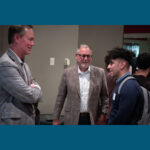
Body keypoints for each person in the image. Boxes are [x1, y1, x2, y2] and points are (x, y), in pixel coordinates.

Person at [53, 44, 109, 125]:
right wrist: (56, 117)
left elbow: (105, 96)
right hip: (72, 117)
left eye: (88, 56)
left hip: (92, 118)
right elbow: (60, 97)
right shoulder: (67, 73)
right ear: (77, 56)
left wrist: (103, 114)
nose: (85, 59)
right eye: (83, 56)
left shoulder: (100, 73)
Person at [0, 25, 42, 125]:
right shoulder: (5, 64)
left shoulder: (24, 65)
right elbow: (29, 95)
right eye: (30, 39)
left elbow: (33, 85)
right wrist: (37, 88)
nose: (33, 43)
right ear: (17, 38)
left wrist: (33, 87)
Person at [106, 48, 144, 125]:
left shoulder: (129, 86)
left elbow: (122, 119)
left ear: (122, 65)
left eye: (111, 63)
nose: (108, 67)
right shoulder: (122, 83)